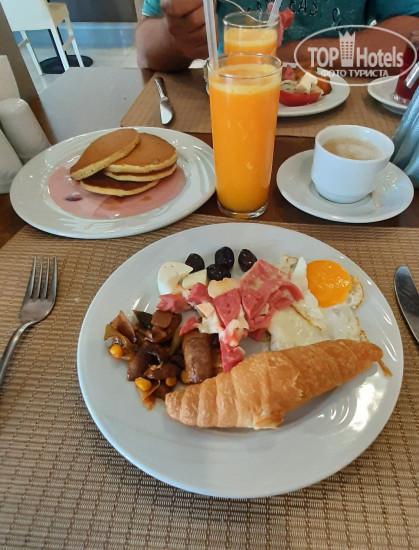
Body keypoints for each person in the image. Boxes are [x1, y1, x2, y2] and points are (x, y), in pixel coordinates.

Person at [136, 0, 419, 72]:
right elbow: (146, 48)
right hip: (225, 108)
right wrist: (176, 34)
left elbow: (411, 35)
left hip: (343, 122)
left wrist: (294, 55)